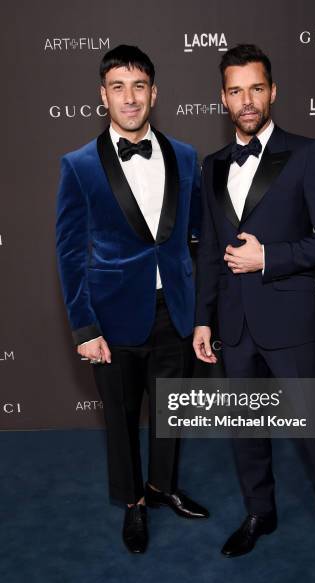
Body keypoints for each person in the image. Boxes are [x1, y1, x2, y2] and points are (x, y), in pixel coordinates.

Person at [193, 44, 315, 579]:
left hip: (291, 323)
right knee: (246, 429)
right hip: (235, 327)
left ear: (273, 91)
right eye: (235, 90)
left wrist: (272, 258)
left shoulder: (307, 152)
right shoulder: (212, 166)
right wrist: (202, 318)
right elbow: (209, 253)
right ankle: (260, 513)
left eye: (256, 88)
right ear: (223, 98)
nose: (247, 100)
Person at [56, 44, 208, 555]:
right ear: (103, 95)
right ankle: (133, 504)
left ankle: (162, 487)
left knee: (173, 411)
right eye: (118, 87)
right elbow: (70, 251)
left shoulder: (186, 156)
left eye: (138, 86)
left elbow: (198, 239)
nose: (130, 97)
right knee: (120, 418)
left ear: (154, 93)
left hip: (175, 313)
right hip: (112, 316)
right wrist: (84, 327)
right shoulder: (78, 165)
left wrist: (200, 312)